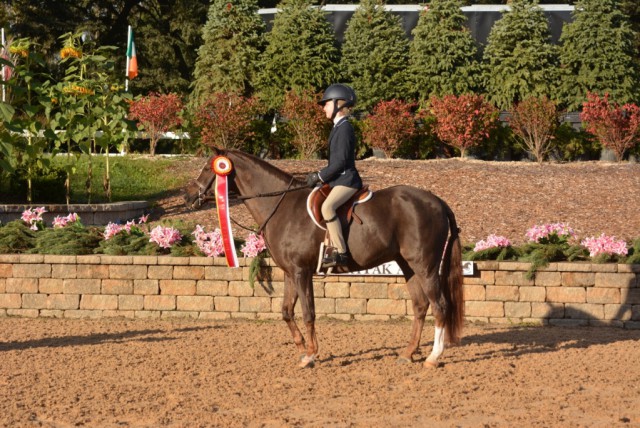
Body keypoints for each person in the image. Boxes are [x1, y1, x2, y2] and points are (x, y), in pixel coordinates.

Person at [306, 83, 363, 267]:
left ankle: (341, 252)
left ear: (339, 104)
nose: (323, 108)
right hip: (338, 179)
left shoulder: (345, 127)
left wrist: (320, 176)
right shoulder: (338, 127)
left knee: (328, 208)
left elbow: (340, 163)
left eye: (326, 104)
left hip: (347, 181)